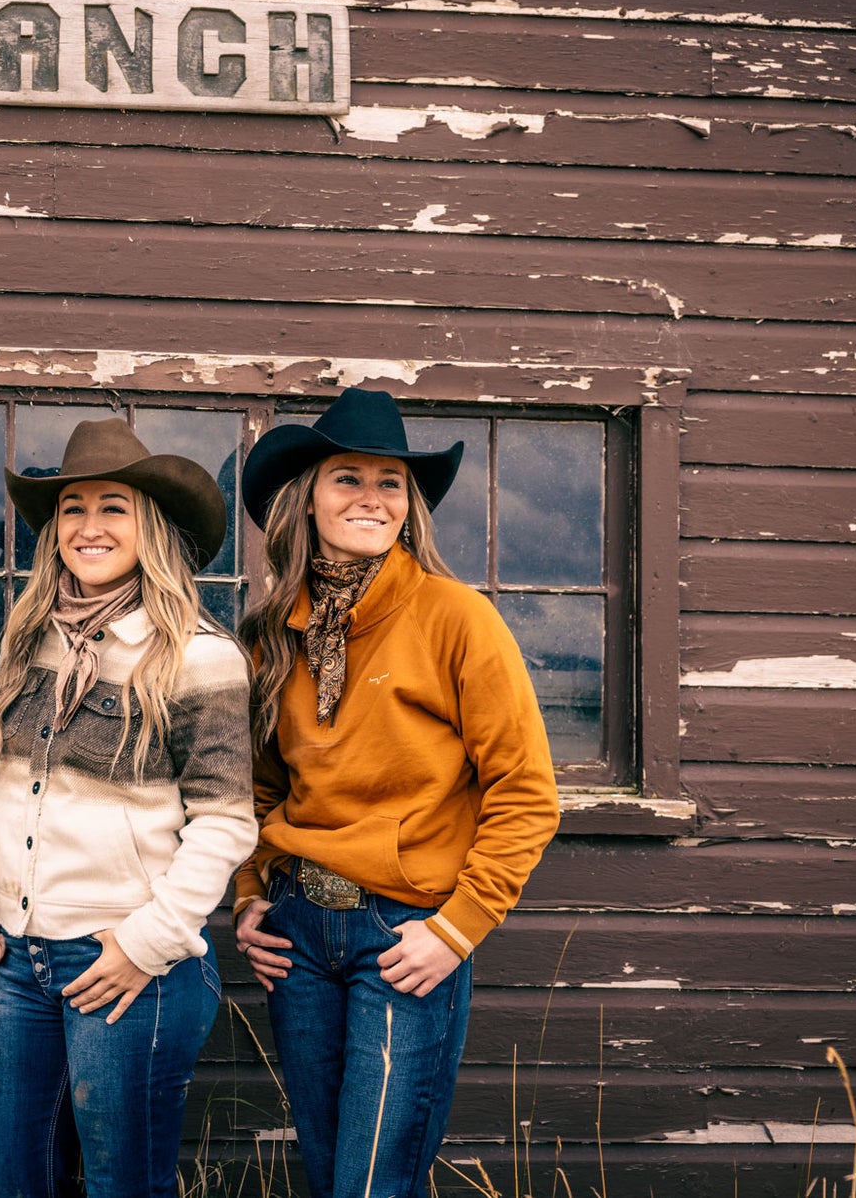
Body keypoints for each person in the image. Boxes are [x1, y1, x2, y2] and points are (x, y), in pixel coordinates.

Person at [229, 387, 560, 1198]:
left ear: (409, 506)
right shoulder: (274, 629)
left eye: (389, 482)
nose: (370, 498)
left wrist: (458, 929)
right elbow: (259, 786)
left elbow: (526, 790)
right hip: (297, 930)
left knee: (372, 1184)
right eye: (347, 478)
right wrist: (247, 898)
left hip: (406, 933)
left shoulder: (457, 618)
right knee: (327, 1168)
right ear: (308, 499)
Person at [0, 418, 256, 1198]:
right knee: (16, 1180)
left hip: (130, 963)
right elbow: (3, 779)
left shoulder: (197, 653)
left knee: (123, 1184)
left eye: (112, 507)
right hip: (25, 961)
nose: (89, 527)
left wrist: (145, 942)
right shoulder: (29, 644)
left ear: (149, 525)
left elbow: (225, 823)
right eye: (73, 508)